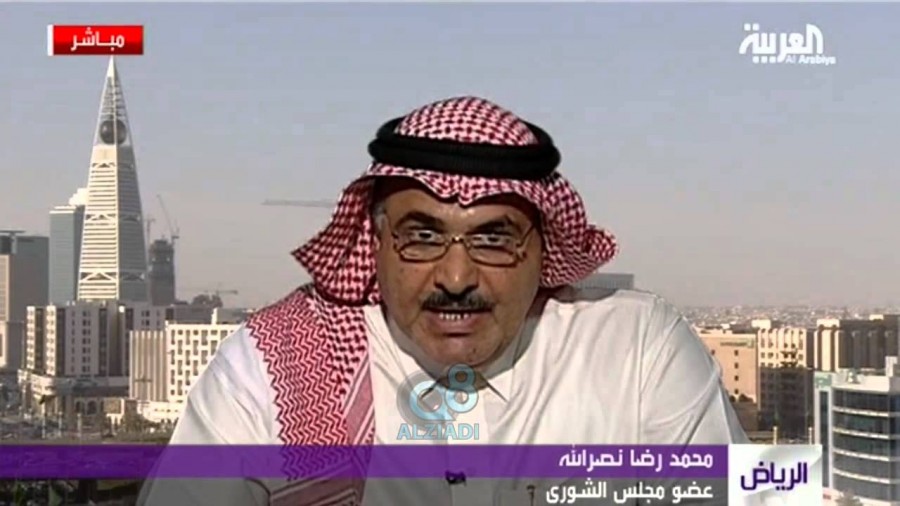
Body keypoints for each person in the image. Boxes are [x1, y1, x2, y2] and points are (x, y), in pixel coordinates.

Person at [139, 96, 747, 506]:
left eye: (493, 239)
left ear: (543, 249)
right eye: (423, 236)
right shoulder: (271, 367)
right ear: (377, 241)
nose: (456, 276)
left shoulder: (637, 353)